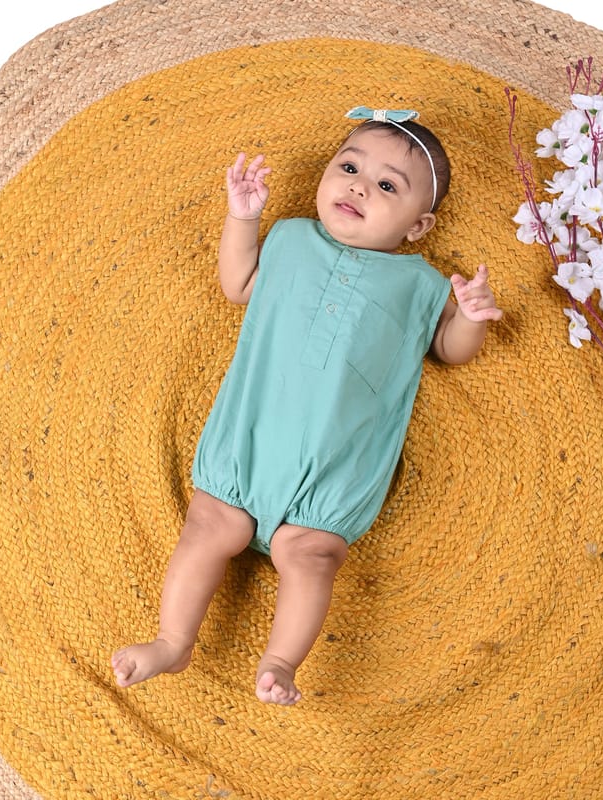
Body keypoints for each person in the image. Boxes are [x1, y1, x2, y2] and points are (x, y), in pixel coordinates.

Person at [111, 106, 502, 705]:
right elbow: (238, 284)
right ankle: (173, 641)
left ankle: (280, 661)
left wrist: (470, 317)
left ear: (418, 227)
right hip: (248, 444)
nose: (359, 187)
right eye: (349, 167)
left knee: (312, 557)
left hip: (334, 475)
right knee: (208, 527)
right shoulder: (291, 237)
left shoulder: (423, 286)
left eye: (387, 186)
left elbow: (450, 350)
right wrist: (243, 218)